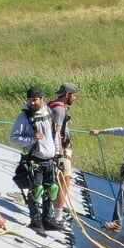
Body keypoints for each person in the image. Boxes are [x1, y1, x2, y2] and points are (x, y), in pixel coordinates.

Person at [10, 87, 65, 233]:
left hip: (50, 159)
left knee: (50, 190)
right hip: (35, 160)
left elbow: (55, 135)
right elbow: (14, 138)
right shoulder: (24, 118)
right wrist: (32, 139)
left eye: (34, 100)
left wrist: (58, 153)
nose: (32, 103)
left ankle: (47, 220)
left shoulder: (49, 113)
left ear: (42, 99)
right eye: (30, 100)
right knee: (36, 191)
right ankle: (35, 220)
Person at [49, 83, 79, 213]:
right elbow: (57, 132)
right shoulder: (60, 110)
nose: (75, 98)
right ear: (67, 95)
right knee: (64, 181)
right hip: (60, 152)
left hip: (52, 149)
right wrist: (59, 152)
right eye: (74, 95)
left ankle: (50, 210)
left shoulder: (51, 106)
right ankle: (58, 214)